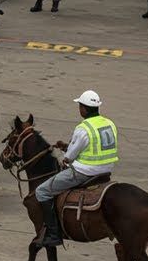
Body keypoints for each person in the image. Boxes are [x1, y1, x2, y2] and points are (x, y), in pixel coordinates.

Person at [34, 90, 117, 246]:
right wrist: (67, 146)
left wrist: (65, 155)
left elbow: (69, 157)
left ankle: (53, 234)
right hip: (105, 171)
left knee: (42, 191)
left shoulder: (83, 128)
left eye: (80, 106)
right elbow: (94, 146)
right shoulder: (109, 123)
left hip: (84, 172)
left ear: (84, 109)